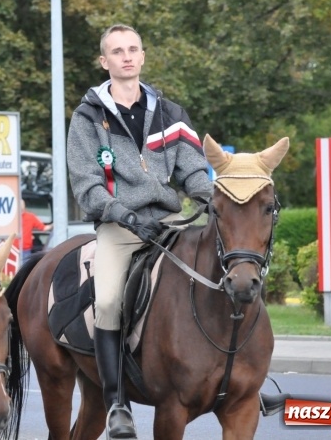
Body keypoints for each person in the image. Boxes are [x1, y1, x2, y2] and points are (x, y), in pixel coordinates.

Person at [66, 24, 213, 440]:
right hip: (120, 226)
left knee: (222, 271)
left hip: (170, 223)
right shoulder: (87, 117)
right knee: (109, 300)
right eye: (117, 51)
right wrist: (120, 214)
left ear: (143, 56)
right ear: (104, 61)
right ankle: (116, 405)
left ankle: (235, 378)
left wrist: (208, 199)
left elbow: (193, 171)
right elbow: (86, 182)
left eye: (133, 49)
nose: (126, 57)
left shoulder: (171, 113)